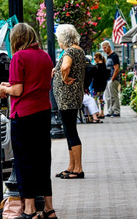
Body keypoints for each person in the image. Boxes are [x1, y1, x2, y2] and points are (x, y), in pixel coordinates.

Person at [0, 23, 57, 219]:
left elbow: (18, 91)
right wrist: (9, 85)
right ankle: (48, 208)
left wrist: (4, 89)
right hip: (43, 113)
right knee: (43, 160)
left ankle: (30, 210)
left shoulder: (19, 57)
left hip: (24, 115)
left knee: (24, 161)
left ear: (16, 39)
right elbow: (33, 84)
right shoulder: (45, 57)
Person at [53, 24, 86, 180]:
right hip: (72, 96)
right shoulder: (78, 50)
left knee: (71, 131)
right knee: (68, 130)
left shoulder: (70, 51)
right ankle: (71, 166)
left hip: (68, 97)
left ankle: (78, 168)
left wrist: (64, 77)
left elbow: (66, 66)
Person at [102, 41, 121, 117]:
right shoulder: (108, 56)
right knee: (108, 97)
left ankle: (116, 111)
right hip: (107, 79)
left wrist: (113, 79)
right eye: (103, 48)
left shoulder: (114, 56)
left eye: (105, 47)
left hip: (113, 79)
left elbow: (116, 68)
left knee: (113, 96)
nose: (104, 49)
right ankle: (110, 111)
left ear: (109, 47)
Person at [92, 52, 108, 119]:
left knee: (95, 99)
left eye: (95, 58)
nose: (94, 60)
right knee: (101, 99)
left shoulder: (97, 66)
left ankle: (97, 112)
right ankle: (102, 112)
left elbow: (95, 76)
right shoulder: (104, 65)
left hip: (97, 85)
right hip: (103, 85)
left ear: (98, 58)